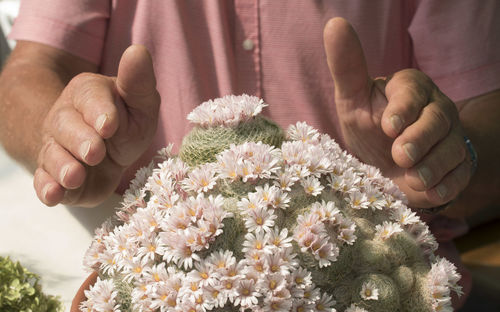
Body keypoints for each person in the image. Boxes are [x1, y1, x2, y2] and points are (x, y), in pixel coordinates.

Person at [0, 0, 499, 309]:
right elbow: (30, 70)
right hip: (161, 273)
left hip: (390, 272)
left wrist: (443, 158)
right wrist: (73, 139)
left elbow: (486, 113)